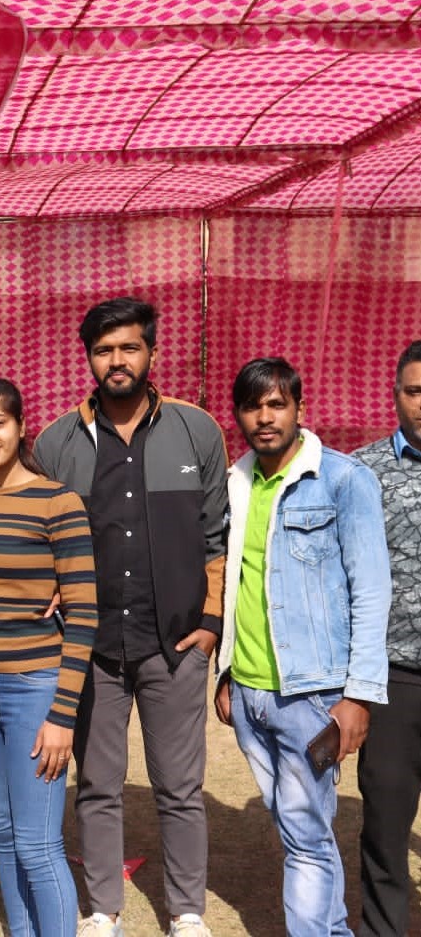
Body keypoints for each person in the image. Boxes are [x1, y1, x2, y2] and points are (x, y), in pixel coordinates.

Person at [34, 298, 227, 937]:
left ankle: (187, 911)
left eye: (128, 348)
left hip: (176, 644)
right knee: (97, 785)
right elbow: (43, 540)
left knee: (180, 788)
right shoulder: (56, 442)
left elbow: (216, 537)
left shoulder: (196, 431)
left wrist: (210, 624)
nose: (116, 361)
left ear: (151, 352)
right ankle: (103, 910)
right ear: (89, 358)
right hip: (92, 648)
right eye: (103, 350)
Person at [214, 357, 391, 937]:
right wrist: (226, 672)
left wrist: (358, 696)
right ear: (238, 414)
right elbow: (237, 580)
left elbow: (372, 591)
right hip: (249, 695)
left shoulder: (342, 480)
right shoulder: (236, 482)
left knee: (307, 837)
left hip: (311, 696)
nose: (264, 417)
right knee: (297, 831)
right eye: (252, 406)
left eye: (276, 404)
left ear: (299, 409)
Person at [0, 377, 97, 937]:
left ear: (20, 426)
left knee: (38, 844)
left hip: (35, 689)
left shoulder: (57, 502)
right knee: (5, 837)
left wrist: (62, 715)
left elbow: (84, 615)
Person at [353, 340, 421, 937]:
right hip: (393, 679)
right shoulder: (361, 473)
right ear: (395, 394)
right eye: (415, 390)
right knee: (385, 825)